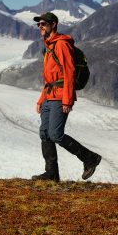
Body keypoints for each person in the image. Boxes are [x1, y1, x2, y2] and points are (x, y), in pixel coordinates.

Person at [32, 12, 101, 182]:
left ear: (53, 24)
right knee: (44, 134)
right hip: (49, 96)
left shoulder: (61, 45)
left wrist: (68, 99)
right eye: (38, 24)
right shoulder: (48, 46)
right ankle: (51, 174)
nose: (40, 27)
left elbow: (69, 72)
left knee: (55, 134)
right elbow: (49, 80)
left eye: (43, 24)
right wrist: (41, 100)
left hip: (60, 96)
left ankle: (89, 158)